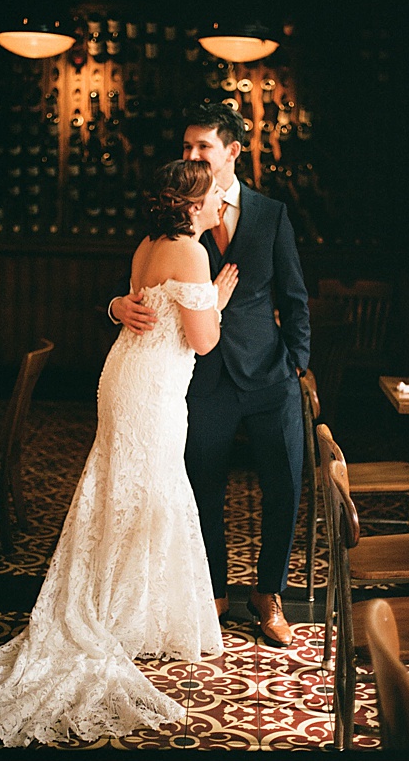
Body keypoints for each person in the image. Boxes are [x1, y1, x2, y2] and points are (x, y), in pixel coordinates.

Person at [0, 159, 237, 747]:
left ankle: (127, 605)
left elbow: (136, 305)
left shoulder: (150, 242)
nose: (219, 205)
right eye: (213, 198)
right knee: (148, 487)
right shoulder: (193, 253)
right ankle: (124, 613)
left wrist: (118, 306)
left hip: (127, 374)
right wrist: (217, 302)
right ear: (193, 205)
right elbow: (202, 341)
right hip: (151, 386)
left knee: (130, 486)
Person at [108, 103, 311, 648]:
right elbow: (142, 287)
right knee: (202, 487)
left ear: (232, 152)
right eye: (187, 146)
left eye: (203, 147)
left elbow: (294, 296)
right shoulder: (172, 217)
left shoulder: (271, 213)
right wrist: (115, 306)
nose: (192, 155)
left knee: (285, 485)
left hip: (270, 376)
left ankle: (270, 595)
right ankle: (211, 591)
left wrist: (297, 363)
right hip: (200, 378)